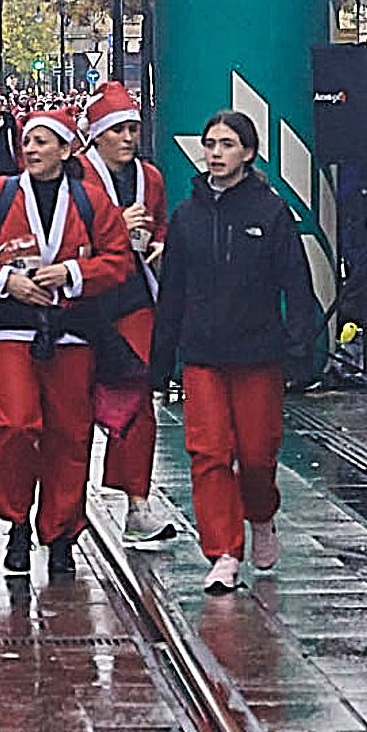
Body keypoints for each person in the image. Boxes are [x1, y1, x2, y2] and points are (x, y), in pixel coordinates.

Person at [0, 108, 137, 581]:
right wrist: (4, 280)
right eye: (27, 141)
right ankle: (17, 522)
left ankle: (61, 533)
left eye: (42, 142)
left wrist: (72, 273)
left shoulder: (91, 201)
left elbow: (118, 260)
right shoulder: (0, 194)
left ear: (66, 149)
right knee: (15, 423)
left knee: (70, 434)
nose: (30, 149)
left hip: (73, 329)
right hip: (12, 327)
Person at [149, 111, 316, 593]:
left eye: (226, 144)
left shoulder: (271, 212)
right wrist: (161, 361)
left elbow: (295, 282)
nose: (216, 153)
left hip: (257, 353)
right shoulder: (187, 216)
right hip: (203, 355)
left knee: (257, 454)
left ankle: (261, 514)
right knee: (208, 453)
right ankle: (223, 551)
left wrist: (299, 346)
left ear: (248, 152)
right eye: (210, 144)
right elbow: (172, 291)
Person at [76, 83, 174, 546]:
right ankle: (64, 506)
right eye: (118, 130)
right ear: (97, 135)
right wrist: (116, 224)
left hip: (133, 295)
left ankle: (138, 501)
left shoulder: (149, 177)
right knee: (73, 404)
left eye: (133, 129)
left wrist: (160, 242)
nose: (128, 138)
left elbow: (161, 222)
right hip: (82, 299)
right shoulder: (75, 174)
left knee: (136, 398)